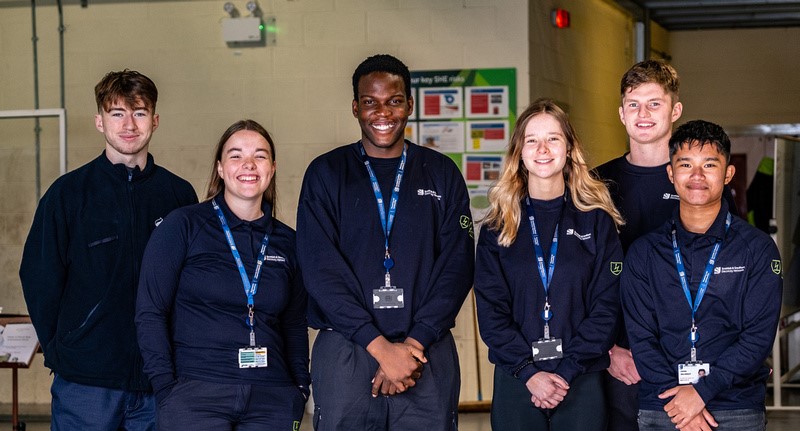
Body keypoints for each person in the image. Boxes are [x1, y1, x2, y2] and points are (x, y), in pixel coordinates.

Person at [296, 54, 475, 430]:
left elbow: (457, 267)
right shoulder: (326, 174)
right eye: (370, 102)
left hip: (425, 350)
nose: (383, 112)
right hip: (347, 348)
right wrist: (379, 347)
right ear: (355, 107)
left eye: (394, 100)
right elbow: (319, 268)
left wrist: (414, 343)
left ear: (410, 104)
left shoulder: (441, 173)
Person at [19, 69, 197, 430]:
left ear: (155, 120)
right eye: (118, 113)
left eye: (140, 112)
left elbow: (191, 283)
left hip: (158, 380)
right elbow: (39, 277)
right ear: (100, 121)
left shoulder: (179, 196)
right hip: (86, 383)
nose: (129, 124)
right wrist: (62, 350)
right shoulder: (67, 195)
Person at [135, 119, 309, 430]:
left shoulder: (289, 242)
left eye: (259, 155)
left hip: (272, 396)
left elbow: (294, 323)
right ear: (219, 168)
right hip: (197, 395)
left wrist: (299, 389)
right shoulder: (183, 226)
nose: (248, 164)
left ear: (272, 167)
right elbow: (150, 311)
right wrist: (165, 389)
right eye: (236, 155)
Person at [594, 60, 737, 430]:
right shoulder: (595, 185)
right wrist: (609, 349)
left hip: (694, 362)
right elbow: (579, 276)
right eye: (633, 104)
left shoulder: (700, 183)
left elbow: (725, 277)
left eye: (655, 103)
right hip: (619, 360)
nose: (643, 114)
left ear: (675, 110)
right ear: (621, 112)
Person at [621, 120, 782, 431]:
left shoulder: (757, 249)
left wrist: (700, 393)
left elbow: (758, 337)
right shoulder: (644, 253)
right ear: (671, 173)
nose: (697, 176)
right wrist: (681, 401)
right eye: (685, 164)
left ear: (728, 173)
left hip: (735, 408)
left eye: (709, 164)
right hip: (663, 406)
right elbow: (641, 339)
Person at [474, 98, 624, 430]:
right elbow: (491, 313)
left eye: (553, 138)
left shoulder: (596, 223)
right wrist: (529, 373)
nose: (543, 148)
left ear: (569, 148)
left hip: (582, 377)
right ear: (520, 152)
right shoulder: (497, 229)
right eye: (532, 140)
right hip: (518, 380)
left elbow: (606, 307)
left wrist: (567, 370)